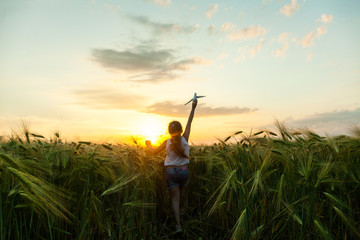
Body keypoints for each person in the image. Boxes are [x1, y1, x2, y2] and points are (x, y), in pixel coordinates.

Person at [145, 98, 197, 233]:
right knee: (183, 191)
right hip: (184, 170)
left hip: (171, 172)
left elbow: (153, 151)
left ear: (169, 132)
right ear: (180, 130)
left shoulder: (166, 142)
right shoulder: (185, 137)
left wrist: (148, 145)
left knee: (174, 198)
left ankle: (178, 225)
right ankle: (182, 209)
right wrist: (193, 107)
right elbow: (189, 122)